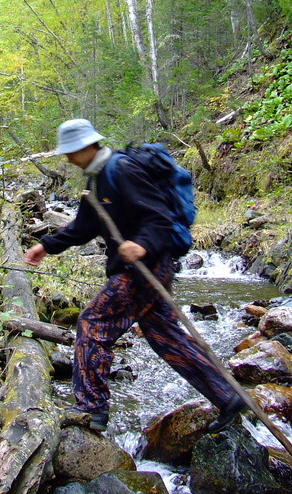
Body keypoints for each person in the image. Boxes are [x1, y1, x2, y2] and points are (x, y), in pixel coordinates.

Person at [23, 118, 245, 432]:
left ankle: (91, 409)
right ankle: (227, 396)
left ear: (87, 146)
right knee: (164, 335)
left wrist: (141, 245)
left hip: (145, 267)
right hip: (144, 267)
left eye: (71, 151)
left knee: (93, 323)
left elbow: (159, 217)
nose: (68, 158)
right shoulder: (95, 181)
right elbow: (83, 227)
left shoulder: (122, 170)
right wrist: (45, 246)